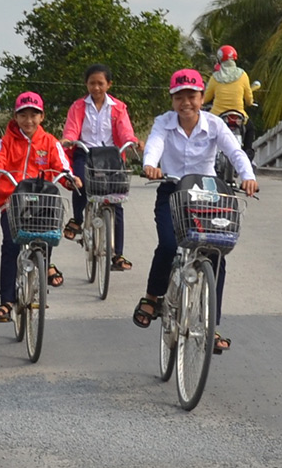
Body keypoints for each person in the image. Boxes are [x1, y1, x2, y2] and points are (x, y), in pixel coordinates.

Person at [134, 68, 259, 354]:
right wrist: (150, 164)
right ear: (172, 99)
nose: (185, 103)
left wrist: (247, 176)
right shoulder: (164, 123)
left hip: (205, 194)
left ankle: (210, 324)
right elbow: (153, 144)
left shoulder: (215, 124)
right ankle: (152, 297)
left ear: (202, 97)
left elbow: (235, 152)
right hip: (172, 191)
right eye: (179, 97)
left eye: (191, 96)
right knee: (167, 246)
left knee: (216, 253)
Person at [0, 91, 78, 323]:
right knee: (10, 247)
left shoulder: (50, 142)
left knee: (48, 236)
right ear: (15, 116)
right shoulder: (7, 141)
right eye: (23, 115)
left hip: (41, 201)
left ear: (42, 117)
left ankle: (43, 271)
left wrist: (71, 179)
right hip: (12, 202)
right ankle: (6, 301)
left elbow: (62, 167)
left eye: (34, 115)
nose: (29, 120)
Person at [61, 63, 141, 271]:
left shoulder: (118, 107)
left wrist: (131, 141)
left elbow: (124, 130)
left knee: (117, 199)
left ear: (109, 84)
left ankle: (118, 254)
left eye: (100, 83)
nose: (96, 88)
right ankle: (78, 219)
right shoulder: (78, 106)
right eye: (92, 83)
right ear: (86, 84)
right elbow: (72, 128)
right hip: (85, 153)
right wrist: (69, 139)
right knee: (80, 181)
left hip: (110, 156)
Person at [202, 45, 256, 157]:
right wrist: (250, 103)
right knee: (250, 129)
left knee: (204, 131)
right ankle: (248, 155)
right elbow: (249, 98)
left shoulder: (215, 77)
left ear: (220, 59)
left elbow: (206, 98)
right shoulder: (243, 75)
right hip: (239, 115)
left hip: (217, 115)